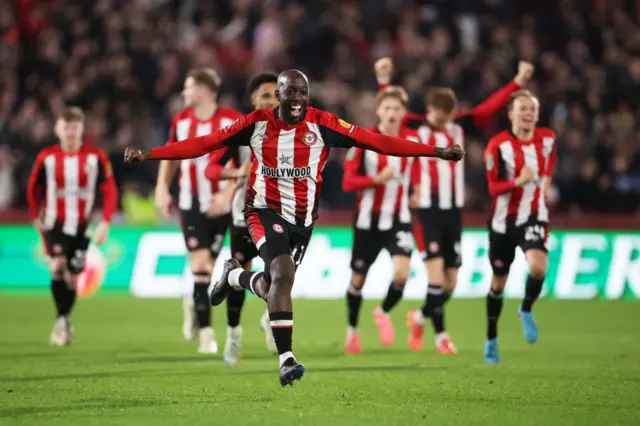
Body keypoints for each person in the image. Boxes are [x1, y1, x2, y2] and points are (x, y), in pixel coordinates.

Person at [124, 69, 464, 386]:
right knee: (283, 273)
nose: (298, 99)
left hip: (302, 221)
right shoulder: (256, 124)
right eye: (290, 93)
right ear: (279, 95)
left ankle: (234, 277)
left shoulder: (324, 124)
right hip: (262, 211)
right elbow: (204, 144)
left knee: (273, 283)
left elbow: (379, 141)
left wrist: (435, 152)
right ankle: (286, 358)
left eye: (303, 92)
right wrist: (151, 154)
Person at [374, 57, 534, 354]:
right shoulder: (416, 127)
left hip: (452, 213)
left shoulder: (459, 126)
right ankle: (441, 336)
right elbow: (390, 107)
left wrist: (518, 82)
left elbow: (490, 107)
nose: (443, 120)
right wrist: (384, 78)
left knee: (450, 284)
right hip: (425, 213)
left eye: (448, 116)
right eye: (439, 115)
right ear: (430, 111)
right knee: (436, 278)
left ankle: (419, 316)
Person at [154, 68, 241, 354]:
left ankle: (194, 303)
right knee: (201, 267)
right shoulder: (181, 121)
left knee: (208, 268)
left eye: (188, 87)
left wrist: (227, 195)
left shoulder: (231, 121)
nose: (184, 92)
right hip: (190, 204)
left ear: (204, 90)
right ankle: (206, 334)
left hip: (221, 207)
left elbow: (244, 164)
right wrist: (162, 189)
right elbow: (170, 157)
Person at [204, 72, 280, 366]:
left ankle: (272, 318)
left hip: (282, 214)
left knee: (281, 273)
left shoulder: (294, 132)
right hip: (245, 216)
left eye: (276, 95)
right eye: (265, 95)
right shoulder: (241, 132)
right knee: (239, 277)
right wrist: (239, 174)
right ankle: (234, 336)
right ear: (253, 100)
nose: (271, 101)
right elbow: (212, 169)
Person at [27, 107, 117, 346]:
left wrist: (105, 222)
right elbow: (33, 187)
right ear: (58, 130)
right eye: (66, 127)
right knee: (57, 266)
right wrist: (36, 215)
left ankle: (64, 318)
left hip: (82, 227)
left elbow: (110, 190)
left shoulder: (96, 157)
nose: (70, 132)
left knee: (73, 277)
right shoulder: (46, 157)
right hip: (54, 224)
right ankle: (61, 321)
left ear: (81, 130)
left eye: (75, 128)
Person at [341, 86, 419, 354]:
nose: (392, 113)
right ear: (378, 111)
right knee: (358, 279)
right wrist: (375, 180)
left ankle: (383, 311)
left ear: (404, 113)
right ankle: (352, 330)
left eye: (397, 108)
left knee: (401, 274)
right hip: (368, 221)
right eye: (387, 108)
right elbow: (348, 181)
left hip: (399, 219)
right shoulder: (364, 140)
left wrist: (416, 191)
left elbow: (417, 171)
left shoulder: (412, 139)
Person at [482, 90, 556, 364]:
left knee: (538, 266)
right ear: (511, 113)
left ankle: (525, 309)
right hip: (502, 223)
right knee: (498, 282)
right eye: (522, 109)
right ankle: (491, 338)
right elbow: (492, 187)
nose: (528, 114)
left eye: (532, 109)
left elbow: (549, 162)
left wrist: (546, 180)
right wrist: (517, 182)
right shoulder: (497, 146)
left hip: (533, 216)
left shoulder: (548, 139)